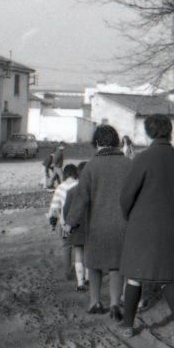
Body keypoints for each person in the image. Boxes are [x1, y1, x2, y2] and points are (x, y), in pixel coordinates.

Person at [118, 114, 174, 343]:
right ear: (169, 131)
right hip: (172, 225)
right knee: (168, 278)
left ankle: (128, 325)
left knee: (135, 276)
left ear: (149, 133)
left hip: (143, 226)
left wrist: (128, 215)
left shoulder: (144, 158)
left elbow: (126, 195)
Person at [65, 125, 132, 319]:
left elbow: (81, 198)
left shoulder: (91, 166)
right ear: (116, 141)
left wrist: (70, 223)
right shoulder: (128, 164)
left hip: (96, 225)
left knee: (93, 265)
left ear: (97, 143)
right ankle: (115, 303)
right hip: (123, 224)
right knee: (117, 265)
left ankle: (95, 301)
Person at [61, 160, 90, 292]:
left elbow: (67, 211)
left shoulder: (72, 191)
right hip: (90, 227)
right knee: (89, 254)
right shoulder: (94, 191)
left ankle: (80, 283)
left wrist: (69, 224)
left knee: (78, 254)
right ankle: (89, 277)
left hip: (77, 227)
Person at [48, 163, 79, 285]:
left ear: (65, 174)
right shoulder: (80, 185)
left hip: (65, 223)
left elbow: (54, 208)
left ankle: (67, 272)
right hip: (80, 223)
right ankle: (81, 273)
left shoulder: (60, 188)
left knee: (66, 247)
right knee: (80, 248)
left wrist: (52, 223)